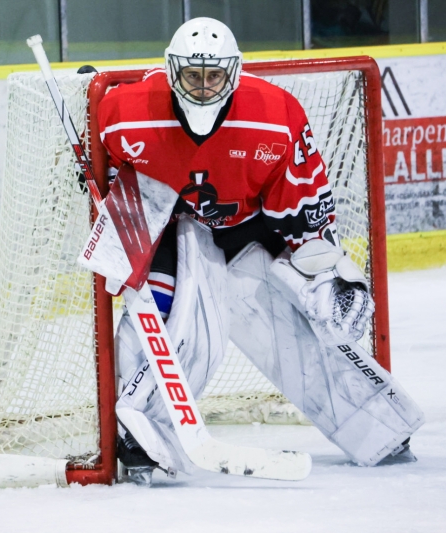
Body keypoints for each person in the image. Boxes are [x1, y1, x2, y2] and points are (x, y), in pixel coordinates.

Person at [97, 17, 423, 485]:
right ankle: (138, 427)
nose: (204, 88)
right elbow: (108, 172)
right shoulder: (122, 112)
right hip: (168, 225)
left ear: (235, 73)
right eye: (193, 75)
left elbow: (303, 217)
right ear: (172, 73)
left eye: (215, 76)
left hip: (247, 228)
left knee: (307, 319)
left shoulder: (275, 116)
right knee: (175, 322)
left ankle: (378, 427)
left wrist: (326, 275)